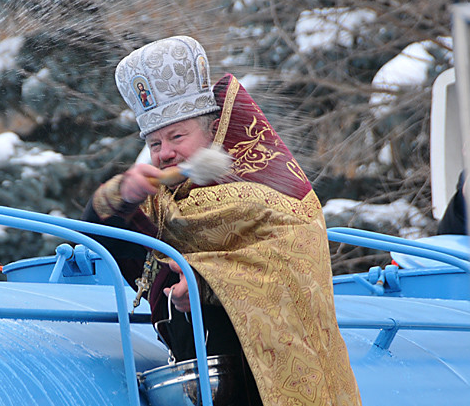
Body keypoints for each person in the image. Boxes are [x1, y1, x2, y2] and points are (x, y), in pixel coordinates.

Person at [82, 36, 362, 405]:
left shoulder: (274, 195)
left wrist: (202, 284)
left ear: (213, 132)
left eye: (177, 136)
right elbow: (102, 240)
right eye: (155, 144)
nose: (165, 153)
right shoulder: (161, 204)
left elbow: (287, 274)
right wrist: (122, 195)